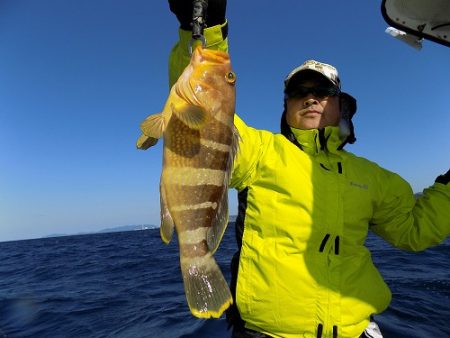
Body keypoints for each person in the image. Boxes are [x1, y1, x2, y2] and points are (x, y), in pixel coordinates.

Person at [165, 1, 450, 337]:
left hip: (355, 330)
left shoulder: (375, 178)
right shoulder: (261, 151)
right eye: (299, 92)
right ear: (286, 107)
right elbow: (203, 117)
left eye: (323, 92)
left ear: (340, 104)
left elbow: (412, 232)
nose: (311, 98)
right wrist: (205, 28)